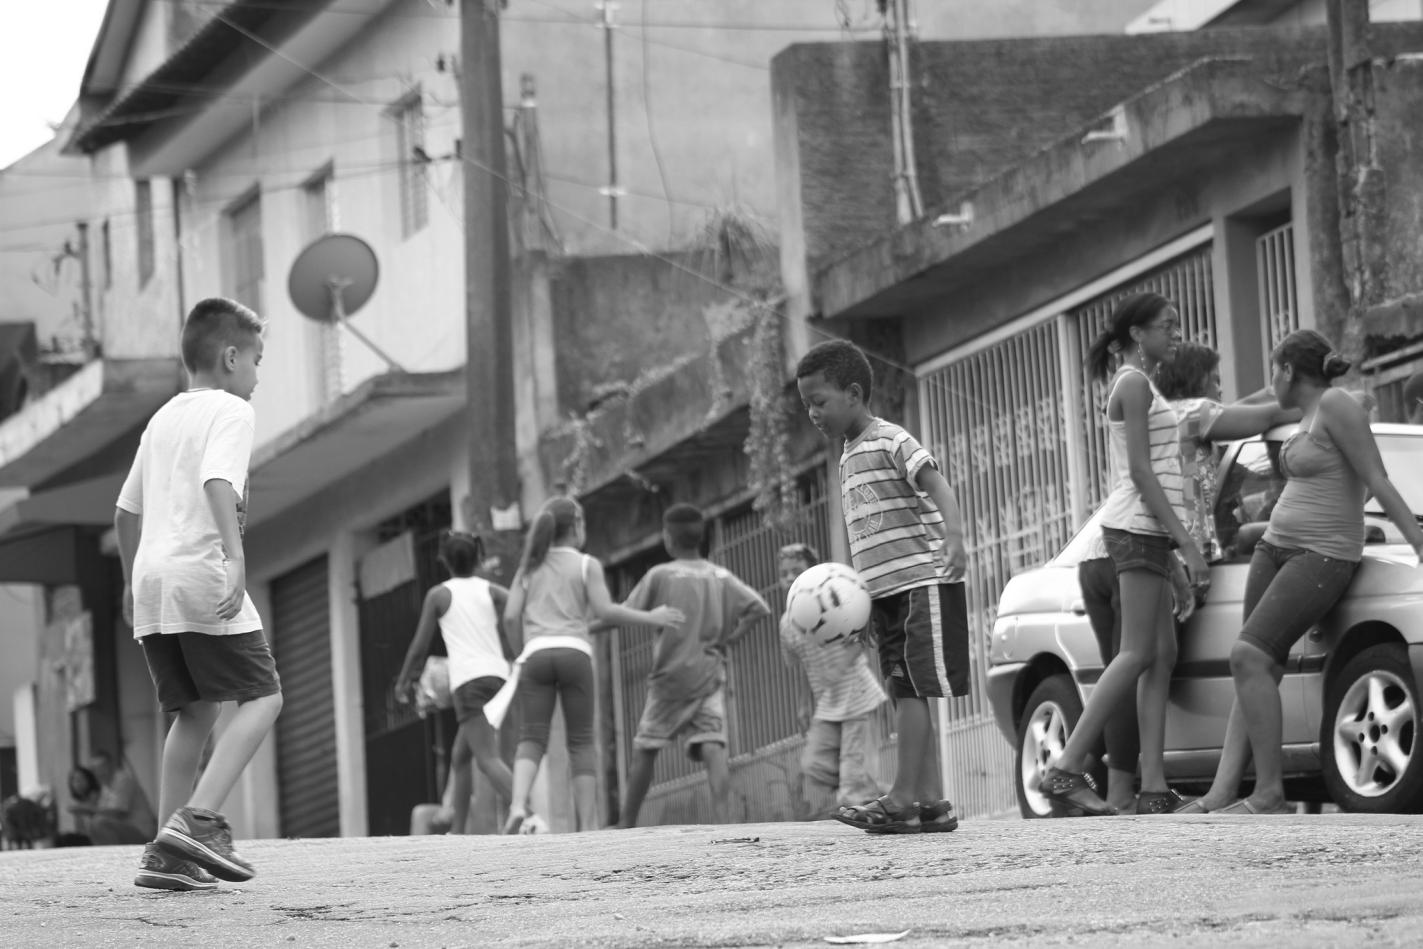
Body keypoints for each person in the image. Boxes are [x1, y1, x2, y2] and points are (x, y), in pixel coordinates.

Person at [1180, 330, 1423, 814]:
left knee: (1248, 657)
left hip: (1322, 554)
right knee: (1253, 667)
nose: (1272, 381)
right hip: (1274, 549)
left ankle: (1269, 794)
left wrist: (1419, 545)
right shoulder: (1303, 411)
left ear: (1289, 371)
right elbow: (1248, 410)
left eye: (1275, 370)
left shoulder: (1336, 405)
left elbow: (1377, 479)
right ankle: (1221, 793)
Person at [115, 297, 283, 890]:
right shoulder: (231, 412)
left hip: (154, 579)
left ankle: (165, 852)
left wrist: (134, 581)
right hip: (199, 569)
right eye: (258, 361)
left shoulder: (162, 419)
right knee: (263, 697)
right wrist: (235, 557)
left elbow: (125, 510)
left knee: (195, 711)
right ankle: (199, 821)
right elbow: (219, 480)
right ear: (231, 357)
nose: (259, 377)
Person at [1040, 293, 1207, 817]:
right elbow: (1140, 471)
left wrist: (1175, 561)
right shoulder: (1133, 383)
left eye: (1176, 325)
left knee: (1162, 656)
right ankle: (1065, 767)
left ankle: (1154, 788)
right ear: (1137, 334)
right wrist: (1186, 545)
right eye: (1166, 325)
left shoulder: (1144, 383)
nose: (1175, 333)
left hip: (1146, 531)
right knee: (1135, 654)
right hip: (1135, 528)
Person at [795, 339, 969, 835]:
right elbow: (863, 541)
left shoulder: (890, 439)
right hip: (888, 595)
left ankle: (902, 798)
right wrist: (865, 604)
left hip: (921, 583)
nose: (812, 413)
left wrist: (954, 538)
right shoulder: (847, 456)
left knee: (911, 690)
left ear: (853, 393)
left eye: (819, 401)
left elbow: (937, 484)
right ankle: (931, 802)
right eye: (806, 404)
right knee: (903, 690)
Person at [502, 497, 685, 833]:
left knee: (531, 736)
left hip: (536, 654)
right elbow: (605, 611)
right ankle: (586, 825)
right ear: (576, 527)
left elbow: (511, 615)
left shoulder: (528, 568)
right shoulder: (587, 565)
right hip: (574, 653)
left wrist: (521, 652)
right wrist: (650, 616)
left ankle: (516, 806)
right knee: (581, 740)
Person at [614, 504, 770, 828]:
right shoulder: (720, 575)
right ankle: (725, 821)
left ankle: (626, 823)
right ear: (701, 537)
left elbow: (624, 612)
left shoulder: (660, 574)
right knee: (713, 743)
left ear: (667, 539)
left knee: (646, 747)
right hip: (709, 674)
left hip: (668, 679)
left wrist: (590, 621)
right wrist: (731, 638)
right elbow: (759, 608)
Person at [396, 530, 516, 835]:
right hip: (499, 676)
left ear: (443, 560)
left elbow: (419, 647)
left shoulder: (439, 595)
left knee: (487, 759)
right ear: (478, 557)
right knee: (461, 756)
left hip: (469, 684)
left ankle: (527, 815)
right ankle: (459, 832)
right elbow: (517, 607)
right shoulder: (491, 590)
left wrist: (404, 682)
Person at [777, 542, 887, 817]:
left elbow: (861, 639)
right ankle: (882, 795)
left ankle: (863, 799)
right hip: (827, 704)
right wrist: (803, 704)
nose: (789, 578)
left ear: (812, 573)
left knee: (852, 787)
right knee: (814, 766)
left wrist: (841, 663)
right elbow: (801, 665)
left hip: (858, 698)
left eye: (796, 571)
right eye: (784, 573)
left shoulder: (838, 602)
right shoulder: (787, 623)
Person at [70, 751, 157, 846]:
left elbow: (117, 812)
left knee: (99, 822)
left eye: (101, 766)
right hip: (128, 831)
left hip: (142, 832)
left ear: (111, 766)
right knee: (95, 823)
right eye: (94, 769)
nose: (98, 771)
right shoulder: (105, 786)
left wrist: (87, 809)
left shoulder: (123, 780)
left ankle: (112, 856)